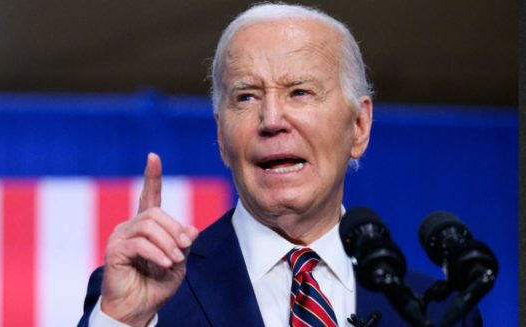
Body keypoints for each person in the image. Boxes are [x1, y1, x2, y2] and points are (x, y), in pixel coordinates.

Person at [78, 3, 481, 326]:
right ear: (220, 135)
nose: (272, 120)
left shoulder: (434, 314)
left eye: (300, 92)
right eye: (247, 97)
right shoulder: (147, 296)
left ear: (359, 126)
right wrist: (124, 321)